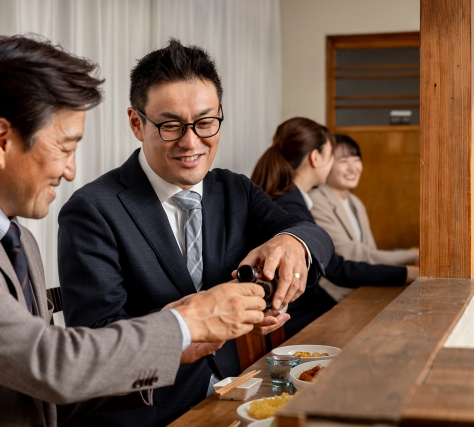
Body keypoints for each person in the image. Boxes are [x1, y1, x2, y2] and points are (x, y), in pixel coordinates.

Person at [0, 35, 271, 427]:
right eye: (65, 148)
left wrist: (178, 348)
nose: (70, 171)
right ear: (0, 140)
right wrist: (185, 324)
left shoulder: (19, 239)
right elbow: (47, 362)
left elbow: (45, 395)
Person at [58, 39, 334, 427]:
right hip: (153, 413)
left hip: (239, 391)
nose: (191, 142)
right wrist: (194, 323)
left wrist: (291, 243)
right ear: (137, 123)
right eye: (170, 126)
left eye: (205, 123)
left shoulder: (233, 190)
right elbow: (96, 347)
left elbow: (314, 235)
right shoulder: (92, 210)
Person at [251, 117, 418, 333]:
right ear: (315, 158)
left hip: (298, 314)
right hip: (291, 322)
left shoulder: (293, 199)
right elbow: (338, 269)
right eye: (332, 157)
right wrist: (407, 274)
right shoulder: (290, 205)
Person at [310, 134, 420, 266]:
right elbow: (353, 254)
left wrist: (410, 254)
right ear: (326, 163)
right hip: (338, 285)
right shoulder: (316, 200)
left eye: (356, 159)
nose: (353, 168)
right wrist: (411, 256)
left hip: (362, 280)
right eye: (343, 161)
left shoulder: (355, 202)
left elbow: (370, 251)